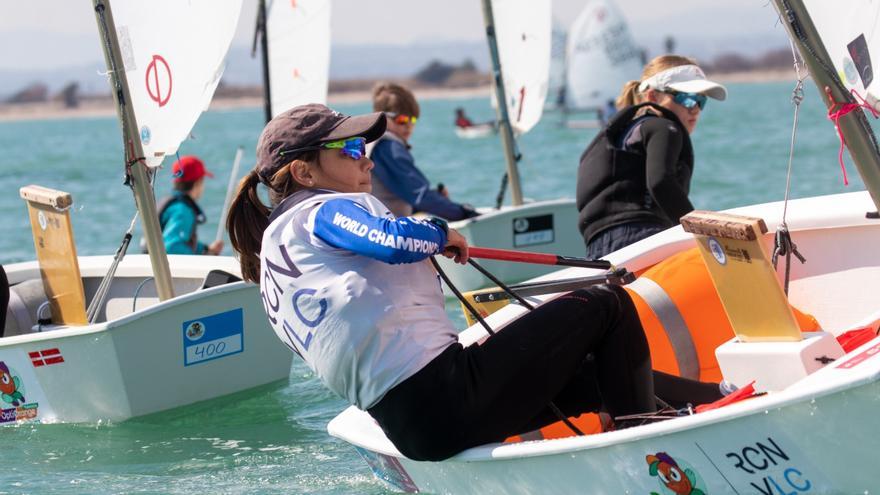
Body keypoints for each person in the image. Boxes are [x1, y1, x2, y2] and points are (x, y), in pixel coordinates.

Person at [226, 103, 723, 462]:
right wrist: (439, 231)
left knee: (593, 379)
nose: (367, 159)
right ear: (303, 171)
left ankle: (714, 397)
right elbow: (390, 239)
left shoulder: (272, 254)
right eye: (351, 147)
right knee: (604, 304)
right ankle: (651, 451)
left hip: (411, 429)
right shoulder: (321, 210)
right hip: (443, 394)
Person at [576, 55, 727, 259]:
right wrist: (702, 234)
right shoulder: (664, 127)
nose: (695, 109)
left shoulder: (617, 136)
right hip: (642, 238)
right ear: (653, 96)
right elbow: (660, 182)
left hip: (599, 250)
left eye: (701, 101)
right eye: (685, 98)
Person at [369, 83, 478, 220]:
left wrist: (436, 199)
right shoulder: (388, 148)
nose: (409, 126)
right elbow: (420, 196)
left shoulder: (375, 144)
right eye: (401, 120)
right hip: (386, 232)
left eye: (413, 120)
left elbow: (406, 196)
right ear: (381, 118)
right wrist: (464, 213)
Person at [158, 155, 223, 255]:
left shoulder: (172, 205)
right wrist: (200, 259)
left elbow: (180, 239)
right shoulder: (182, 211)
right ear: (198, 183)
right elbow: (172, 246)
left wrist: (206, 250)